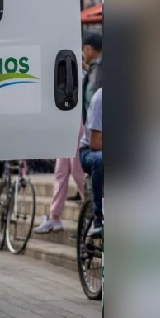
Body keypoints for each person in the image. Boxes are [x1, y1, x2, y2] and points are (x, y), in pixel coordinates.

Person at [35, 33, 103, 233]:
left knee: (76, 171)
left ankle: (88, 211)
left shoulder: (88, 72)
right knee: (62, 171)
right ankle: (56, 216)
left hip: (83, 126)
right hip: (72, 126)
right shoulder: (81, 71)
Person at [79, 87, 103, 236]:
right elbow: (95, 144)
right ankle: (98, 219)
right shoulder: (101, 98)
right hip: (89, 151)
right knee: (101, 160)